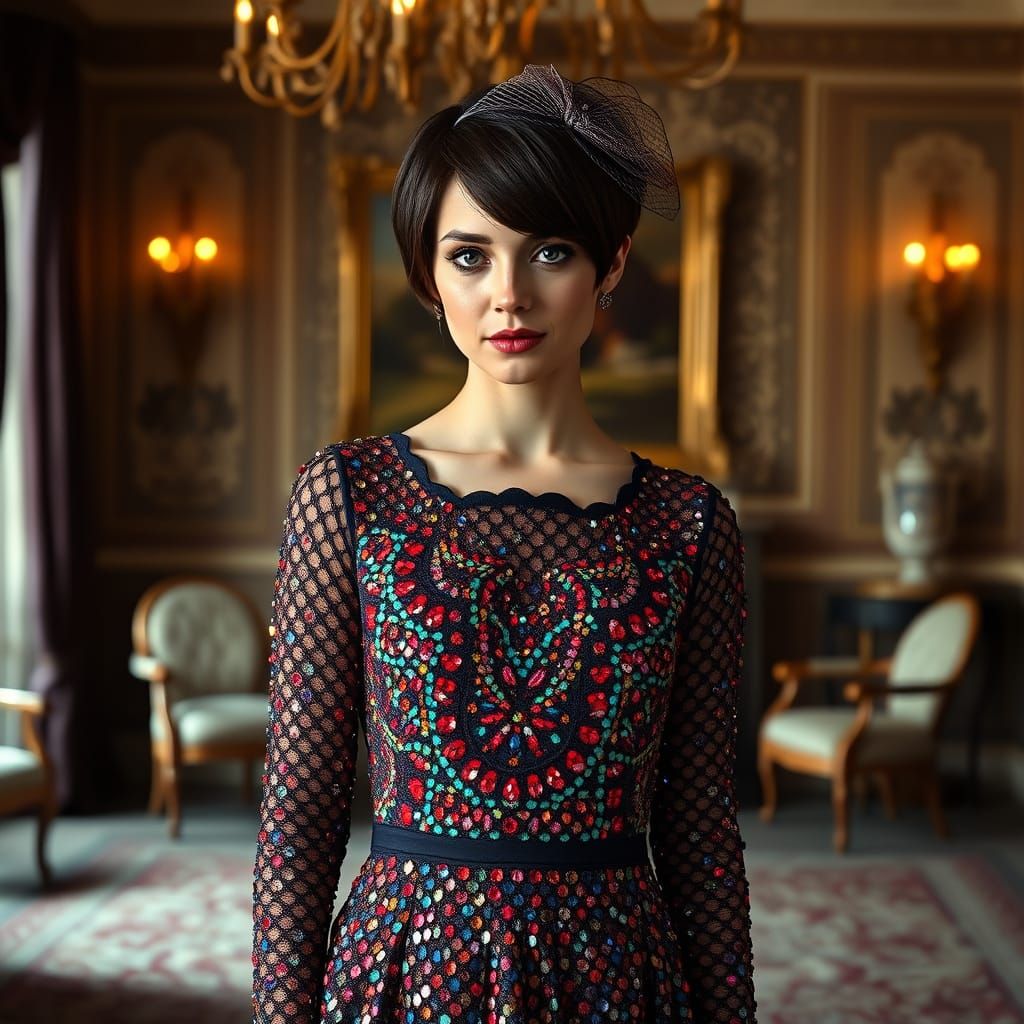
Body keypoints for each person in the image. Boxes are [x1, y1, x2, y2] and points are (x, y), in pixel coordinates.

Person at [252, 63, 756, 1024]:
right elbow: (300, 814)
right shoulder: (350, 495)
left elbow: (698, 832)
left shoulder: (691, 525)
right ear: (428, 275)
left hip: (616, 978)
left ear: (610, 265)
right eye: (471, 256)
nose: (509, 296)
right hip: (401, 972)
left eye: (550, 252)